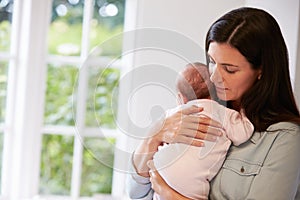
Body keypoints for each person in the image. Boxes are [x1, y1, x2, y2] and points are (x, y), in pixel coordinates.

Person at [127, 7, 300, 200]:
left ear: (262, 70)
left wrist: (171, 195)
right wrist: (154, 136)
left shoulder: (285, 139)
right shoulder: (200, 111)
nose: (215, 76)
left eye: (229, 69)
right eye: (211, 61)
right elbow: (138, 193)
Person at [152, 62, 254, 200]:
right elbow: (243, 134)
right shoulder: (222, 113)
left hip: (161, 168)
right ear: (215, 92)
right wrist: (244, 109)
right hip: (189, 184)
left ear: (181, 98)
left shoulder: (174, 115)